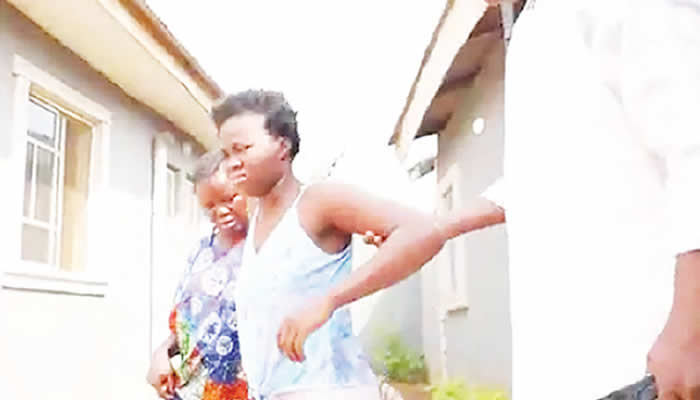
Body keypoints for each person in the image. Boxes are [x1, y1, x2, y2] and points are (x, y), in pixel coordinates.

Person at [291, 1, 700, 399]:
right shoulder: (535, 29)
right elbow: (541, 175)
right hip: (571, 366)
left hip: (648, 363)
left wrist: (690, 328)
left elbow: (693, 150)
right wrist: (435, 226)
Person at [211, 90, 447, 400]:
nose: (232, 164)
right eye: (226, 154)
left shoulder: (317, 202)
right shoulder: (255, 219)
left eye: (242, 149)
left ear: (282, 145)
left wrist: (330, 300)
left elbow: (423, 231)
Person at [146, 150, 249, 400]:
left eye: (229, 198)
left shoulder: (265, 250)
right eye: (209, 206)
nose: (220, 211)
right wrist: (161, 354)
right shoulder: (201, 252)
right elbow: (185, 322)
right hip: (190, 390)